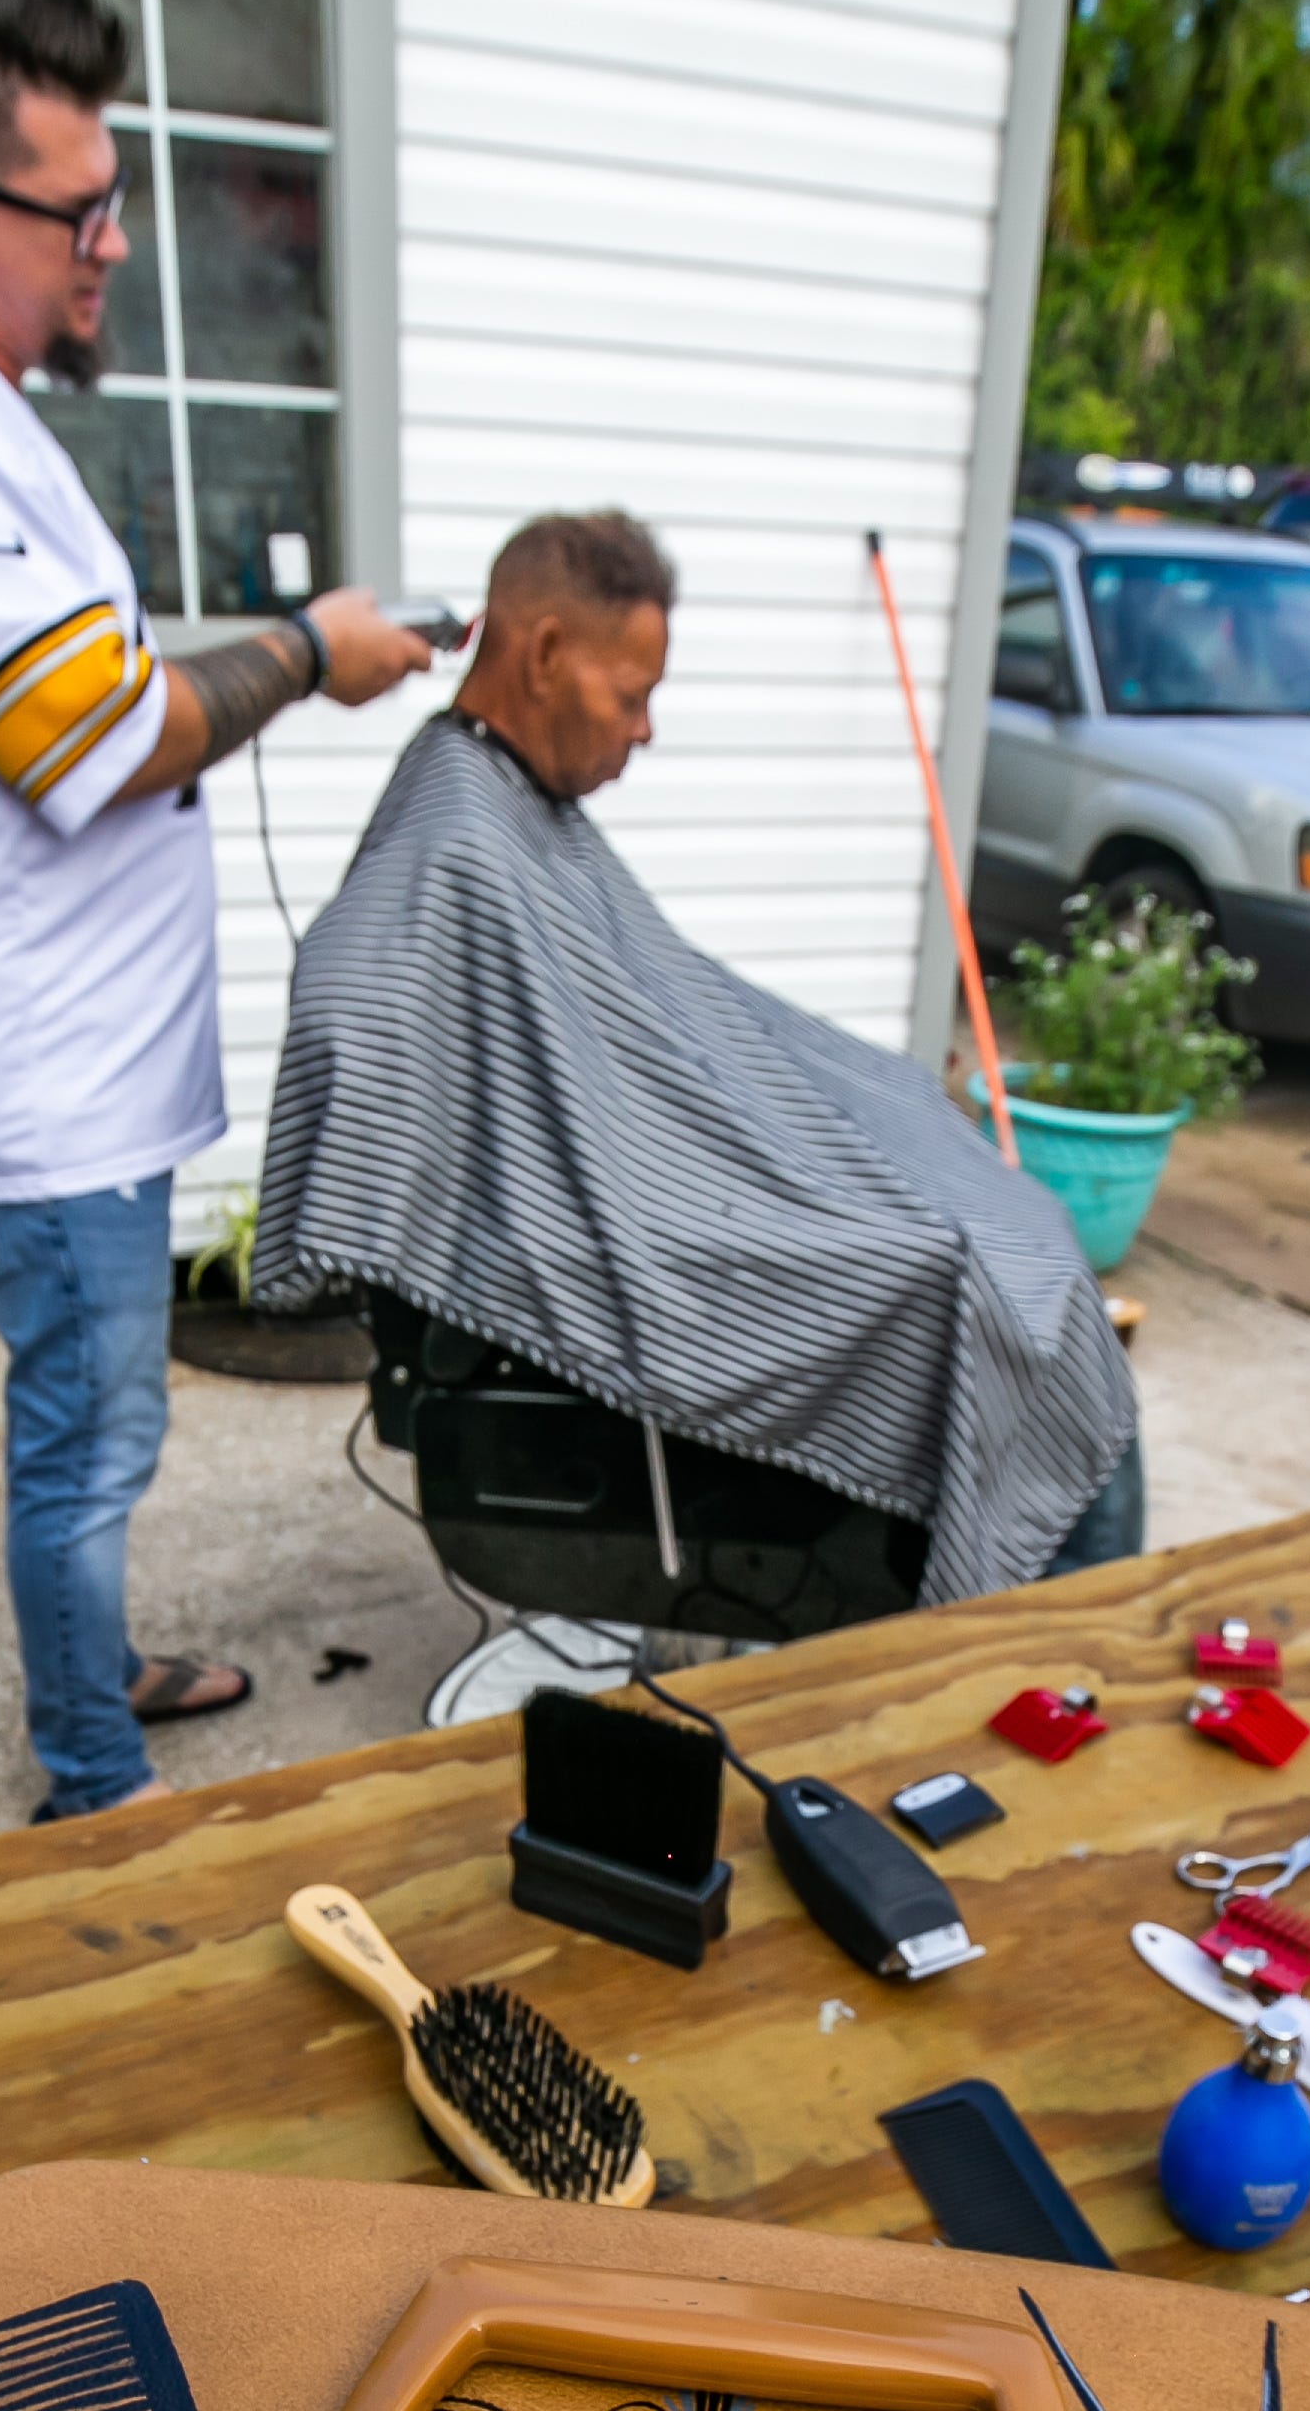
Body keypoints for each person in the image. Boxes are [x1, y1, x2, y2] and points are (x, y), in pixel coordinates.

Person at [0, 0, 431, 1821]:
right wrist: (307, 652)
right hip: (35, 1078)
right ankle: (92, 1778)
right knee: (90, 1430)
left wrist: (272, 655)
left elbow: (71, 687)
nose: (114, 242)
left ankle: (88, 1664)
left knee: (88, 1415)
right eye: (82, 205)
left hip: (62, 1057)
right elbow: (100, 735)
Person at [257, 512, 1143, 1602]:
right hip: (657, 1229)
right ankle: (1050, 1640)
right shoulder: (456, 833)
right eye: (632, 696)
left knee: (1004, 1227)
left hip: (696, 1169)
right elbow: (351, 996)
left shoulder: (517, 804)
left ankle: (1046, 1623)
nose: (645, 730)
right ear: (543, 654)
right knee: (1009, 1304)